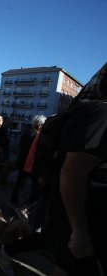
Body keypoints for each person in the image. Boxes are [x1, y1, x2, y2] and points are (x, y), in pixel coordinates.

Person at [53, 63, 107, 276]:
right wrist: (79, 232)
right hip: (86, 220)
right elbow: (72, 172)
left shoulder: (92, 110)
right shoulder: (102, 115)